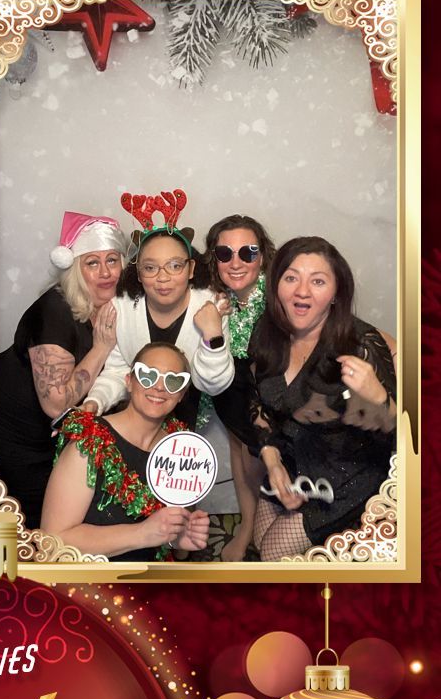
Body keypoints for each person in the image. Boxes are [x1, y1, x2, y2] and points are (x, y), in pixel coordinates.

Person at [247, 237, 397, 561]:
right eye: (291, 278)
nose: (302, 291)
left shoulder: (362, 345)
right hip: (292, 459)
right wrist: (272, 461)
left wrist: (379, 399)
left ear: (335, 295)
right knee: (260, 543)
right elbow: (258, 405)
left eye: (317, 281)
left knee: (273, 552)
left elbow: (410, 441)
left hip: (348, 476)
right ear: (276, 287)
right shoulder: (266, 333)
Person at [0, 212, 124, 527]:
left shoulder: (114, 305)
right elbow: (56, 403)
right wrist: (101, 347)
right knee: (33, 523)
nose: (105, 273)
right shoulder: (55, 310)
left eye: (112, 261)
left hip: (59, 437)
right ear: (75, 268)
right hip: (14, 431)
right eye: (92, 263)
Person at [42, 342, 212, 562]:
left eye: (173, 381)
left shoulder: (182, 453)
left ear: (181, 394)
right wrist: (142, 534)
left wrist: (178, 539)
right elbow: (52, 541)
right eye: (148, 376)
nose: (159, 387)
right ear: (129, 381)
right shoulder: (90, 441)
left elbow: (174, 544)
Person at [83, 198, 230, 419]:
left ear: (190, 269)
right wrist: (95, 401)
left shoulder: (211, 308)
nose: (162, 277)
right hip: (135, 418)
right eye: (150, 268)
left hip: (184, 423)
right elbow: (118, 372)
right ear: (139, 273)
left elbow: (212, 385)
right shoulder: (121, 308)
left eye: (174, 266)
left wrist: (212, 336)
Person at [201, 215, 275, 560]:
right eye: (224, 253)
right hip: (230, 387)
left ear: (263, 256)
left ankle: (267, 522)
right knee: (237, 452)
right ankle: (247, 525)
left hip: (269, 391)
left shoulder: (280, 298)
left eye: (248, 252)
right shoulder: (216, 303)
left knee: (258, 461)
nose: (235, 262)